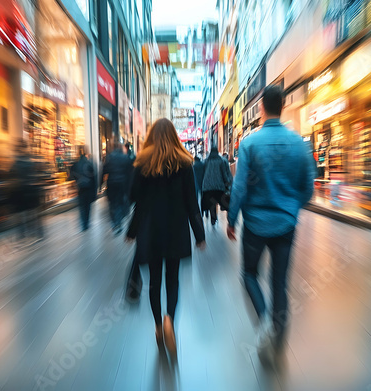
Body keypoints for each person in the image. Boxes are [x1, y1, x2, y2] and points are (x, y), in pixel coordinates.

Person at [227, 84, 315, 363]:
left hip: (254, 224)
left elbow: (240, 188)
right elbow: (308, 188)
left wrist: (231, 219)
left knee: (250, 274)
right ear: (284, 106)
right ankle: (278, 337)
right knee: (280, 282)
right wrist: (291, 209)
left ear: (262, 108)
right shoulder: (299, 145)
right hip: (286, 226)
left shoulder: (249, 144)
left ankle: (263, 319)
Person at [126, 118, 206, 357]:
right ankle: (170, 318)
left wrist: (132, 231)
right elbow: (193, 204)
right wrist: (199, 235)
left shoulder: (142, 165)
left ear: (151, 137)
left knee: (154, 282)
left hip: (150, 232)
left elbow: (135, 200)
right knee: (173, 280)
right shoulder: (184, 164)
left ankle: (159, 327)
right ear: (174, 137)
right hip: (176, 230)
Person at [9, 140, 47, 240]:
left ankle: (23, 233)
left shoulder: (16, 162)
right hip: (30, 190)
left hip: (22, 191)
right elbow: (36, 175)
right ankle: (38, 232)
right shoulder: (30, 161)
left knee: (22, 214)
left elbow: (12, 176)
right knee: (33, 213)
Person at [103, 143, 134, 233]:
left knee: (113, 203)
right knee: (120, 202)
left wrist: (101, 184)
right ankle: (119, 222)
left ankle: (115, 222)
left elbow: (104, 170)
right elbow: (130, 173)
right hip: (122, 184)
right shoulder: (125, 157)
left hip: (112, 183)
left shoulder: (109, 157)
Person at [201, 146, 232, 225]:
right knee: (224, 202)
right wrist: (227, 183)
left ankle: (213, 219)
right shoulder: (221, 160)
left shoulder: (206, 161)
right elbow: (224, 173)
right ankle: (230, 219)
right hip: (219, 185)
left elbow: (203, 173)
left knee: (212, 203)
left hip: (208, 186)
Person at [70, 146, 97, 232]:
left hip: (80, 188)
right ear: (86, 153)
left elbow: (72, 175)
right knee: (87, 206)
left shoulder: (75, 164)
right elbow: (93, 178)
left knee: (82, 206)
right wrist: (95, 190)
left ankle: (83, 223)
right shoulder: (89, 163)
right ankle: (86, 222)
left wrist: (76, 182)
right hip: (88, 187)